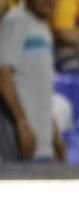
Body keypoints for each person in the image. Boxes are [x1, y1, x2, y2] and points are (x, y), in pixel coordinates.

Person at [0, 0, 64, 162]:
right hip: (20, 137)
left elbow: (42, 89)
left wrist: (55, 134)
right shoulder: (16, 20)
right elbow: (3, 74)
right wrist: (22, 124)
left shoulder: (43, 27)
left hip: (42, 140)